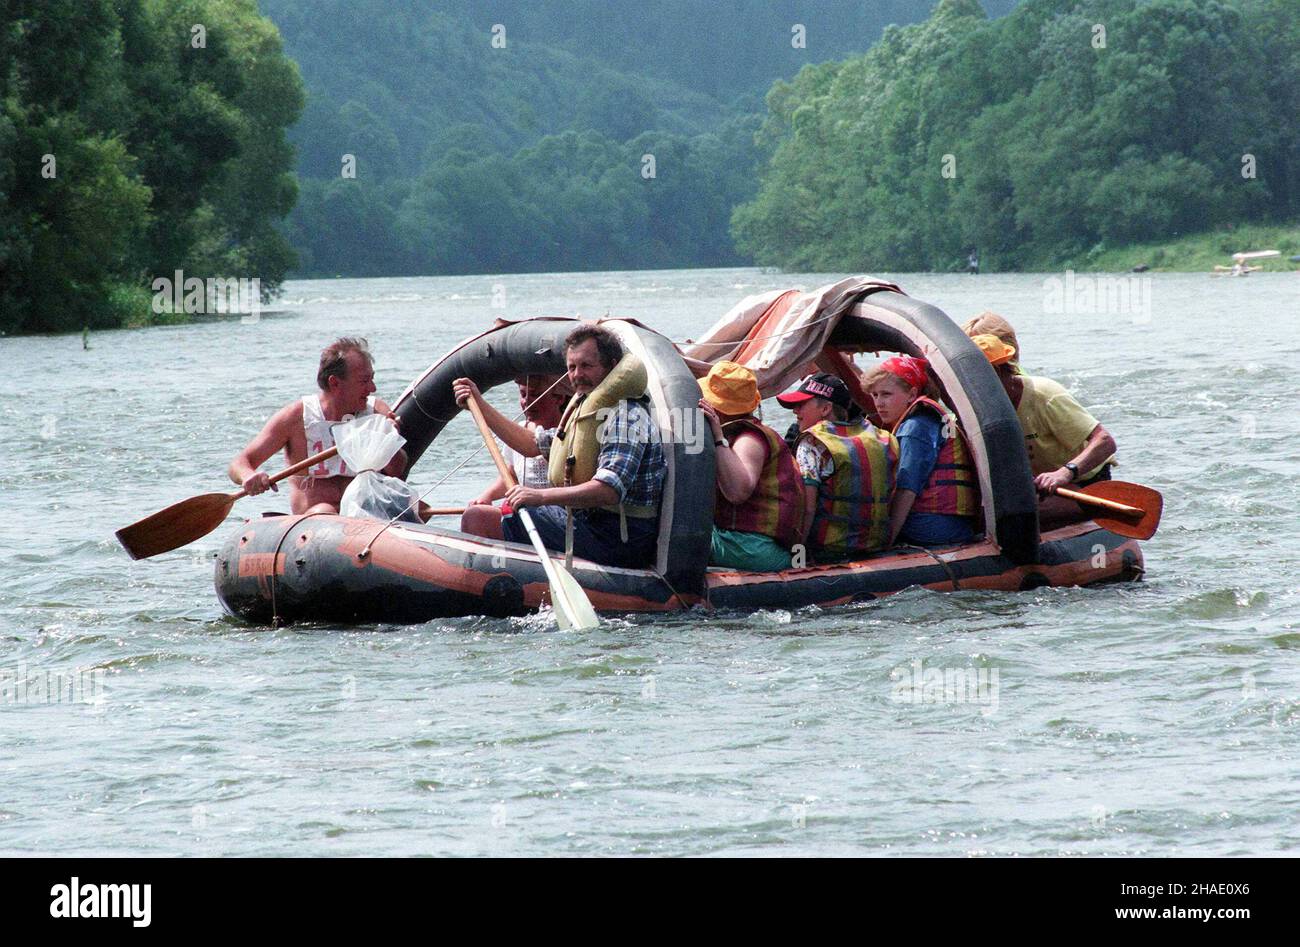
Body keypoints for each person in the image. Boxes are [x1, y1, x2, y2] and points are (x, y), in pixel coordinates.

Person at [453, 325, 665, 568]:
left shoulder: (626, 415)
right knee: (478, 515)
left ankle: (498, 594)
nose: (577, 375)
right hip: (589, 522)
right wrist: (479, 405)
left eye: (586, 366)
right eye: (572, 367)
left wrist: (539, 496)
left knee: (480, 520)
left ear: (612, 365)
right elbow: (533, 445)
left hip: (617, 538)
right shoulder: (588, 409)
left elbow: (609, 490)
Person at [228, 337, 405, 514]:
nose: (372, 388)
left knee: (415, 506)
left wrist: (390, 441)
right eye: (364, 381)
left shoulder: (377, 412)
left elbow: (397, 472)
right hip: (316, 519)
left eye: (372, 379)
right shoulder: (295, 417)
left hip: (367, 513)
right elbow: (240, 462)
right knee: (324, 510)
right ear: (334, 382)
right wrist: (248, 476)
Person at [970, 334, 1118, 529]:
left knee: (1015, 518)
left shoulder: (1045, 394)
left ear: (995, 372)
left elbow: (1105, 441)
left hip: (1086, 484)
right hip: (1040, 488)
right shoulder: (983, 407)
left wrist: (1065, 473)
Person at [779, 372, 898, 563]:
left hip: (827, 550)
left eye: (801, 405)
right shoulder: (883, 438)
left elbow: (808, 510)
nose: (795, 411)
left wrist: (797, 554)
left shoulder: (812, 442)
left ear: (825, 408)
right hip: (874, 546)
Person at [863, 355, 980, 547]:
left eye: (886, 394)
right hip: (953, 523)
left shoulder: (915, 427)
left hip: (933, 525)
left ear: (911, 394)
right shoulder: (925, 419)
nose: (879, 403)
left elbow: (906, 489)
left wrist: (886, 542)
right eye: (875, 395)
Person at [697, 361, 802, 571]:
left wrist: (718, 438)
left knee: (675, 538)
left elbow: (737, 492)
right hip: (748, 544)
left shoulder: (749, 440)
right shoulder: (743, 433)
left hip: (750, 547)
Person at [460, 373, 569, 538]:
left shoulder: (567, 434)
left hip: (556, 516)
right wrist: (487, 496)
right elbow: (511, 475)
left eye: (535, 394)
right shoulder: (517, 430)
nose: (526, 401)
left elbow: (531, 445)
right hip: (524, 511)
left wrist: (480, 405)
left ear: (559, 398)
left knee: (476, 516)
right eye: (523, 394)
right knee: (474, 515)